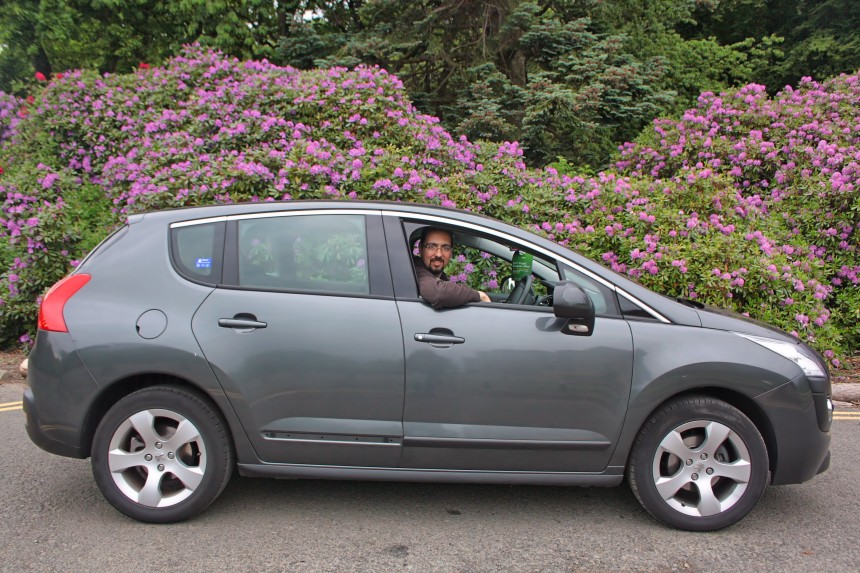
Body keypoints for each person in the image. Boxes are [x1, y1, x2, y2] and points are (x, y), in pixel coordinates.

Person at [414, 227, 491, 309]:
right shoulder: (415, 269)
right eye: (431, 246)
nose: (439, 254)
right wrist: (479, 295)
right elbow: (436, 293)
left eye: (445, 248)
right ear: (420, 249)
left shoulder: (441, 278)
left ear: (451, 252)